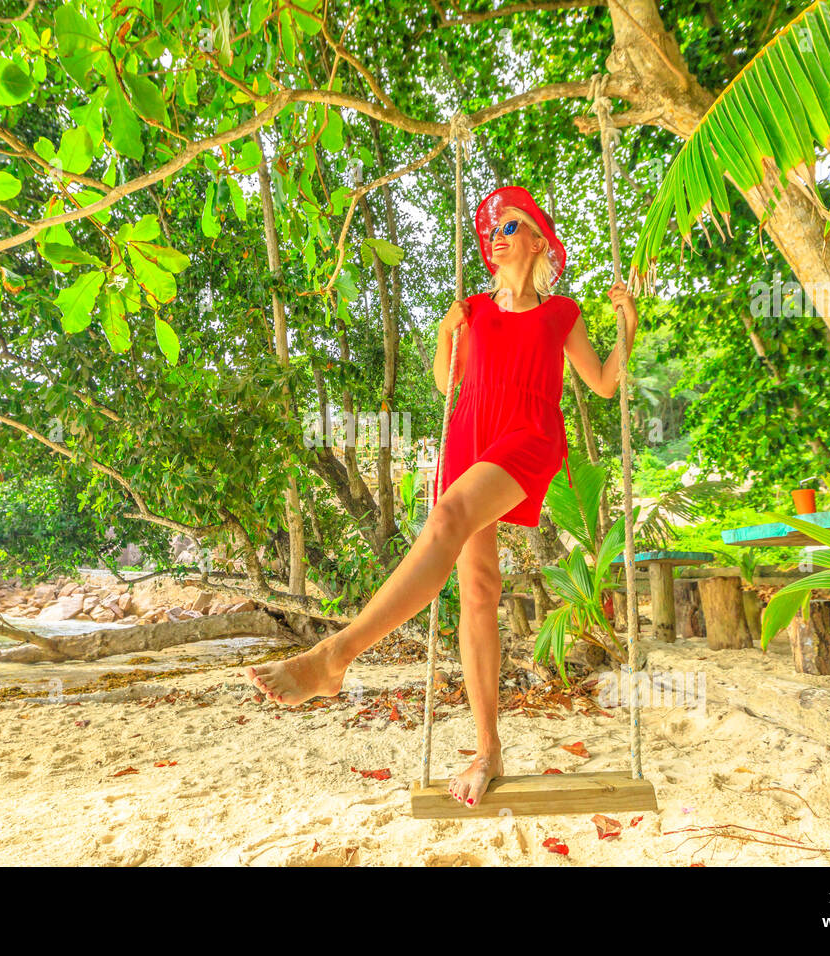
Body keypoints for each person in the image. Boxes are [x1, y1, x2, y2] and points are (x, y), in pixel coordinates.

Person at [246, 185, 639, 807]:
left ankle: (335, 654)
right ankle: (489, 750)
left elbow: (605, 383)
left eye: (512, 224)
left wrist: (628, 328)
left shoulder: (562, 313)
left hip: (528, 437)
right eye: (494, 227)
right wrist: (442, 332)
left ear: (539, 239)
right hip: (470, 436)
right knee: (478, 592)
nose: (498, 233)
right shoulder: (474, 308)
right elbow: (446, 383)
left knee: (449, 514)